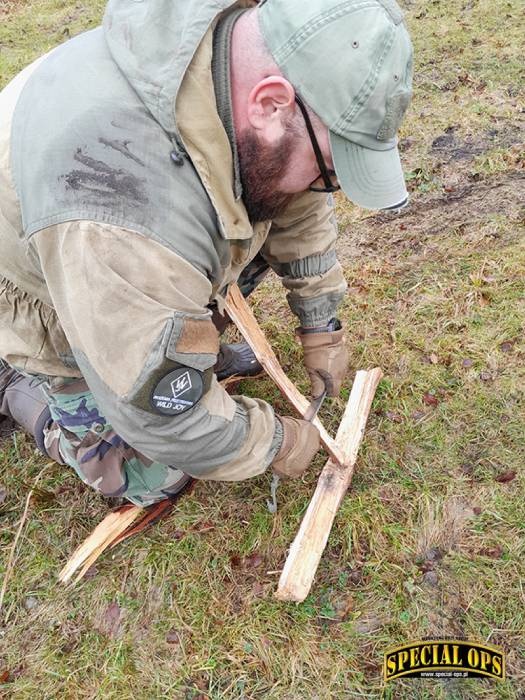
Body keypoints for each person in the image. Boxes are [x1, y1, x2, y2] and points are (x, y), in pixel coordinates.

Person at [0, 0, 413, 506]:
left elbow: (299, 202)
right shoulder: (116, 208)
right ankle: (17, 385)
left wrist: (320, 320)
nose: (327, 186)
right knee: (147, 476)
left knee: (274, 183)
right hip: (37, 289)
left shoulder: (241, 61)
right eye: (328, 167)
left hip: (127, 259)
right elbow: (165, 423)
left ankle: (167, 344)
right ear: (269, 103)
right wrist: (279, 442)